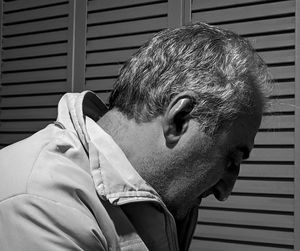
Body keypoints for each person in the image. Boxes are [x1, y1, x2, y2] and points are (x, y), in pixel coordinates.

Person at [0, 22, 270, 251]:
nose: (226, 191)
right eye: (231, 160)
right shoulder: (39, 206)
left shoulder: (164, 196)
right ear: (180, 118)